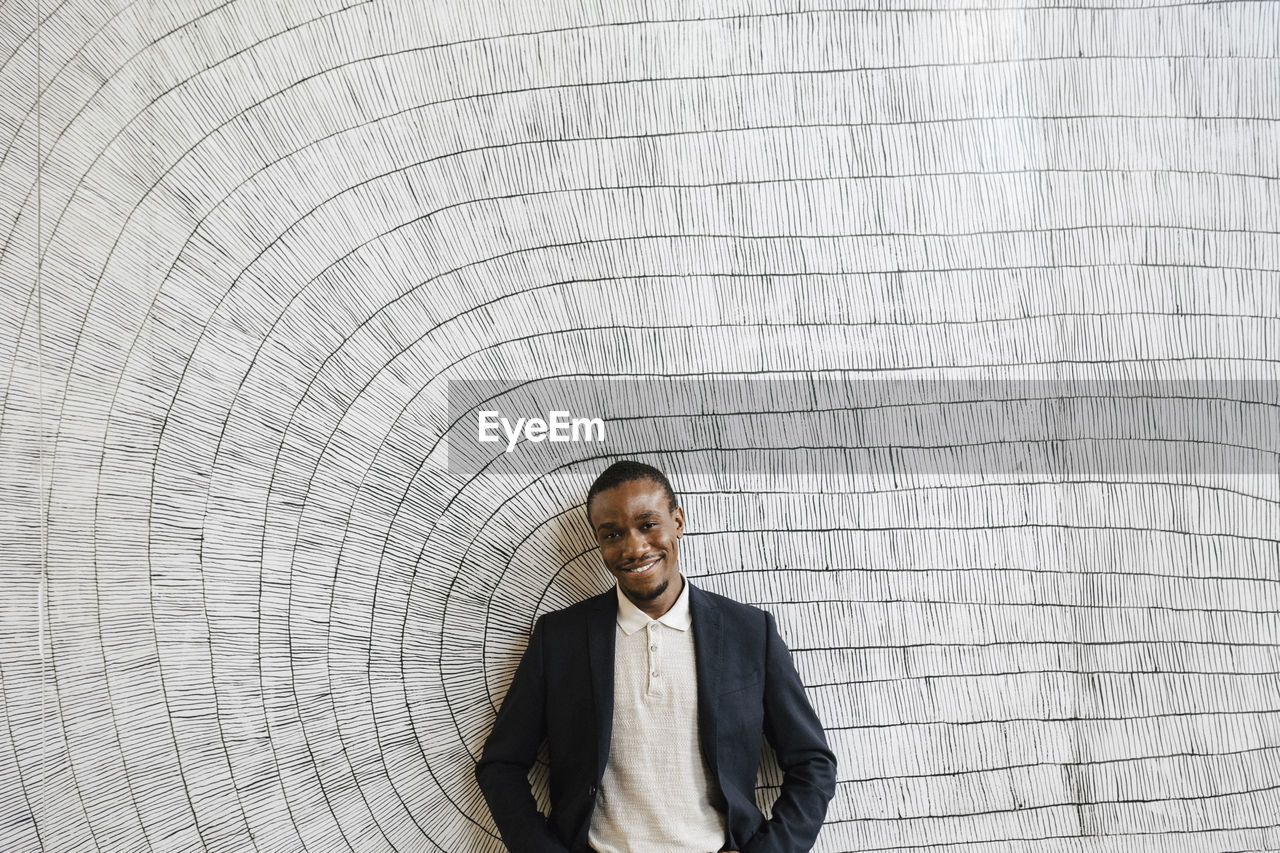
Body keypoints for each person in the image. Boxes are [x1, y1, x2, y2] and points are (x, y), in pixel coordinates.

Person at [475, 460, 837, 852]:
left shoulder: (750, 633)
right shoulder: (559, 638)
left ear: (677, 521)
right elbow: (501, 765)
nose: (633, 547)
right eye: (612, 534)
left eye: (648, 524)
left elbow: (812, 763)